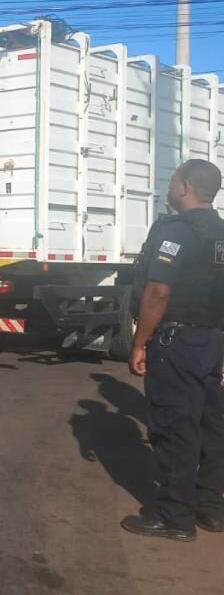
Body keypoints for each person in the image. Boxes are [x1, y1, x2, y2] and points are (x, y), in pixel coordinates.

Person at [121, 159, 224, 541]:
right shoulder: (221, 232)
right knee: (211, 425)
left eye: (171, 180)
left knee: (175, 427)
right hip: (212, 340)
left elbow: (158, 292)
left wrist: (139, 344)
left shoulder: (178, 231)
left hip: (177, 343)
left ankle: (174, 516)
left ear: (185, 187)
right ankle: (210, 507)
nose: (168, 187)